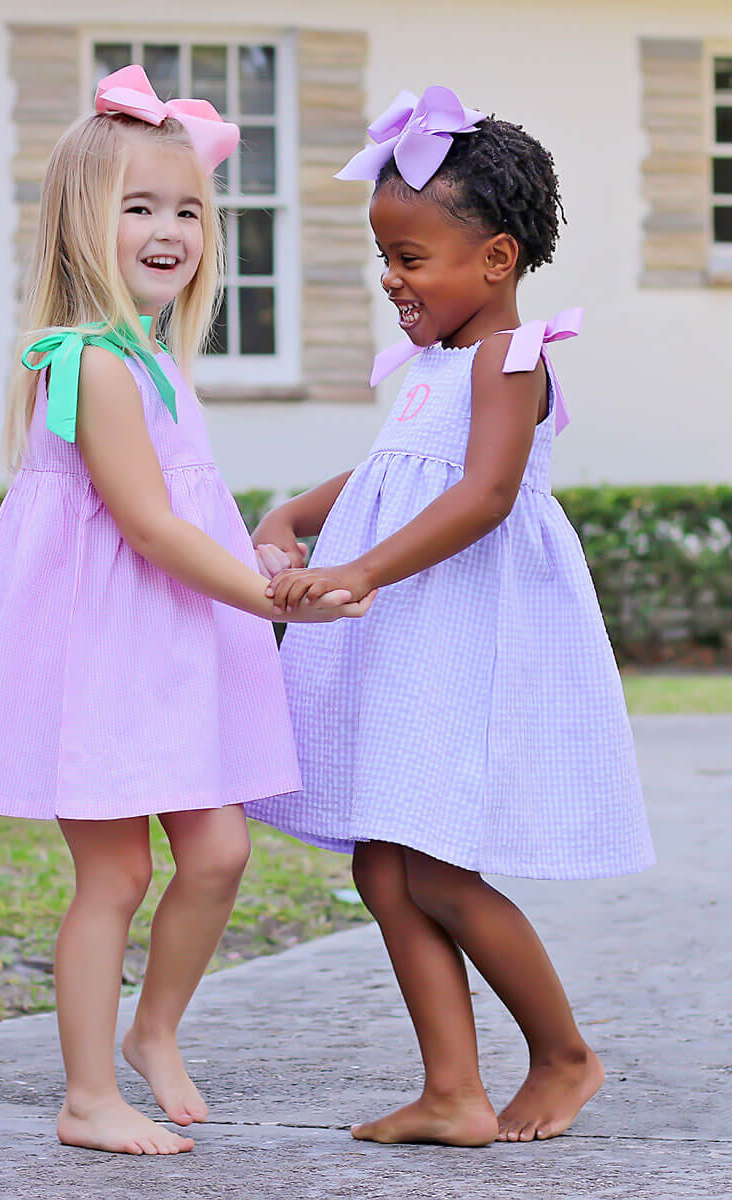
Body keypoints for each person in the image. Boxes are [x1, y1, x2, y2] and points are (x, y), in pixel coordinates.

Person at [0, 64, 372, 1157]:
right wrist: (271, 599)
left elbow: (189, 513)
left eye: (187, 211)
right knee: (117, 873)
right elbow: (150, 530)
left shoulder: (153, 358)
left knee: (218, 853)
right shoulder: (89, 364)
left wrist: (257, 547)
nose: (169, 231)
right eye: (139, 208)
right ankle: (87, 1096)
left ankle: (153, 1028)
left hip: (169, 643)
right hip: (103, 654)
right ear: (82, 224)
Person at [248, 86, 654, 1147]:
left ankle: (565, 1054)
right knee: (382, 864)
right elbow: (395, 467)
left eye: (411, 257)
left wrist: (364, 569)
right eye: (384, 256)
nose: (391, 277)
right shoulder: (437, 365)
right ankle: (452, 1091)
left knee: (433, 865)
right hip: (410, 634)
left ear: (497, 259)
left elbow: (483, 494)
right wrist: (295, 515)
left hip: (464, 633)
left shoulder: (513, 357)